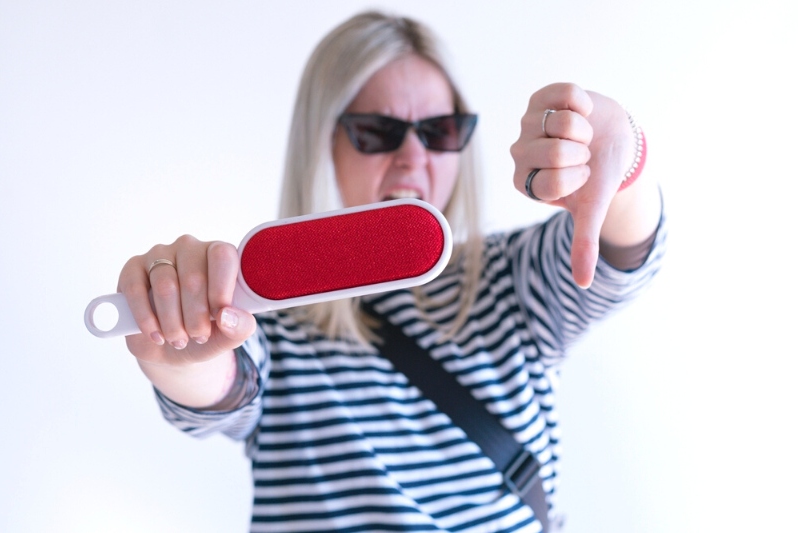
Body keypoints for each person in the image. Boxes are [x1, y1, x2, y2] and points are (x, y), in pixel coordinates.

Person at [117, 11, 665, 533]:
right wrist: (180, 343)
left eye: (440, 130)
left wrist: (622, 158)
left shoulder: (510, 281)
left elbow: (624, 253)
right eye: (377, 132)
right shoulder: (271, 321)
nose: (412, 156)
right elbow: (221, 388)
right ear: (322, 145)